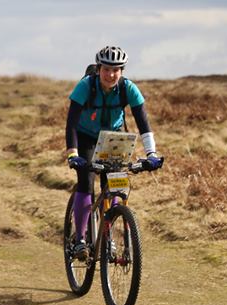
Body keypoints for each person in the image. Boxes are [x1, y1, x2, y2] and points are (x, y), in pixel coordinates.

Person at [65, 45, 162, 256]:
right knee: (86, 182)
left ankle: (108, 235)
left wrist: (151, 154)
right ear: (99, 69)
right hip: (86, 137)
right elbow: (71, 123)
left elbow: (144, 124)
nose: (111, 74)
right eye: (106, 69)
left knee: (115, 185)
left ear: (121, 71)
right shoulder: (85, 86)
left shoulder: (129, 89)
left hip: (113, 138)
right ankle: (80, 239)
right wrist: (73, 153)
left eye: (116, 70)